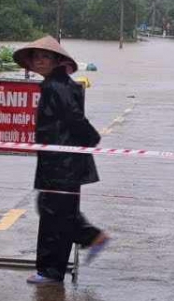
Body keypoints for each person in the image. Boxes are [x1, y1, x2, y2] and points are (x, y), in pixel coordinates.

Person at [13, 36, 109, 286]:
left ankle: (53, 269)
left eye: (45, 56)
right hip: (56, 162)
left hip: (61, 164)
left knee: (55, 214)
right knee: (55, 211)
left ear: (57, 60)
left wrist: (90, 140)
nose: (40, 61)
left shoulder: (57, 86)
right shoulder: (55, 84)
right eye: (36, 57)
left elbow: (75, 119)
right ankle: (86, 241)